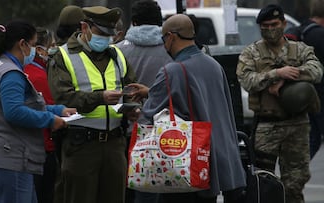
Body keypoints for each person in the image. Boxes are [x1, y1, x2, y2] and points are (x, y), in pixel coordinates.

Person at [129, 14, 246, 203]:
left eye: (163, 39)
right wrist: (152, 92)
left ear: (171, 37)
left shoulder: (172, 70)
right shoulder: (214, 65)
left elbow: (149, 114)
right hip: (213, 160)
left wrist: (132, 111)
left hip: (183, 164)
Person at [0, 20, 77, 203]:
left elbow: (25, 105)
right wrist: (49, 119)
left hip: (2, 157)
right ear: (21, 44)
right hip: (9, 159)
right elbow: (14, 111)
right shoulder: (10, 73)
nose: (33, 51)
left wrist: (58, 110)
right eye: (32, 45)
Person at [47, 6, 137, 203]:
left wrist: (132, 107)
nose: (106, 39)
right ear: (85, 27)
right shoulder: (63, 56)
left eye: (110, 35)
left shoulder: (117, 54)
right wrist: (100, 98)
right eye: (101, 33)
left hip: (115, 144)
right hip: (81, 146)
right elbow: (63, 98)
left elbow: (130, 87)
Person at [236, 4, 323, 203]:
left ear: (283, 23)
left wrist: (289, 76)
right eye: (265, 26)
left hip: (297, 125)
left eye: (274, 24)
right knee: (263, 182)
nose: (270, 29)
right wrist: (275, 74)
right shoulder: (251, 53)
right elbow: (246, 79)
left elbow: (316, 70)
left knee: (295, 183)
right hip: (267, 125)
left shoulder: (299, 49)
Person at [115, 1, 172, 202]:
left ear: (134, 22)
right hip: (166, 133)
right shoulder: (172, 50)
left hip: (126, 131)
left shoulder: (117, 51)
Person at [23, 27, 57, 203]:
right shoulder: (39, 76)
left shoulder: (22, 69)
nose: (54, 48)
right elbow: (46, 108)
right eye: (52, 45)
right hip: (42, 149)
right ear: (40, 49)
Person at [298, 0, 324, 159]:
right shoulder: (320, 35)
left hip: (299, 94)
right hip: (318, 95)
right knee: (314, 138)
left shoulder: (301, 30)